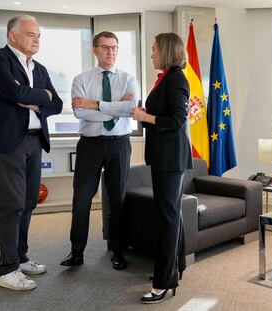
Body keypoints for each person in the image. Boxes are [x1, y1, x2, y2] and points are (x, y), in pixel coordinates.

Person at [0, 14, 63, 291]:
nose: (36, 40)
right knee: (12, 204)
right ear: (12, 35)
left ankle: (20, 258)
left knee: (28, 202)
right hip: (6, 142)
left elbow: (56, 103)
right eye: (30, 34)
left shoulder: (39, 68)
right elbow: (16, 95)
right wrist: (38, 97)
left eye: (38, 36)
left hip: (34, 141)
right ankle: (7, 270)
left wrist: (36, 99)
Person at [60, 31, 138, 270]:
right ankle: (76, 252)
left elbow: (131, 108)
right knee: (81, 201)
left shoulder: (128, 79)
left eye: (114, 48)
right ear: (94, 50)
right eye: (105, 47)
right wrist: (116, 107)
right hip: (90, 145)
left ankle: (117, 252)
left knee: (117, 201)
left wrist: (94, 104)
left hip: (119, 144)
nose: (110, 52)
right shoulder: (81, 80)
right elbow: (80, 113)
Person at [132, 32, 192, 304]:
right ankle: (175, 268)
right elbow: (164, 116)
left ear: (166, 51)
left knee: (166, 217)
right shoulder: (166, 78)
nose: (152, 53)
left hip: (170, 159)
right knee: (171, 214)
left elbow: (177, 120)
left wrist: (145, 116)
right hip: (165, 157)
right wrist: (145, 115)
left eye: (154, 49)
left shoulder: (177, 78)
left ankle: (163, 283)